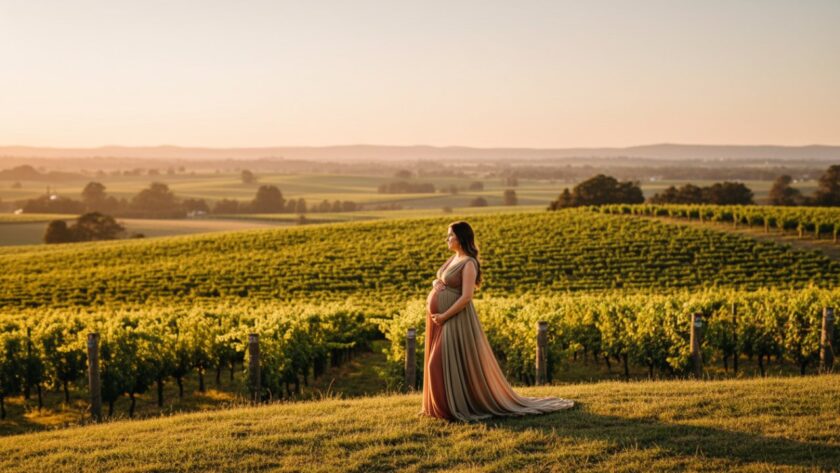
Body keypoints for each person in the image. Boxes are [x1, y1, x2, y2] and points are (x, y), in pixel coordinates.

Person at [420, 220, 574, 422]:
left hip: (454, 319)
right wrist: (435, 282)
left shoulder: (469, 263)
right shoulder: (454, 258)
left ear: (461, 238)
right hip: (440, 319)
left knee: (436, 364)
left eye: (450, 235)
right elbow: (440, 278)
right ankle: (440, 409)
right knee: (440, 364)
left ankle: (452, 410)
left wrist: (444, 315)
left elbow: (466, 297)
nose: (447, 239)